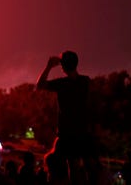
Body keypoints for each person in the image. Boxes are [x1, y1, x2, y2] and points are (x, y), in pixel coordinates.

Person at [36, 50, 96, 185]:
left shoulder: (62, 84)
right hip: (82, 131)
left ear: (63, 66)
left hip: (66, 133)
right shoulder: (85, 81)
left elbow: (40, 85)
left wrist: (49, 66)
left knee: (69, 167)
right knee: (88, 168)